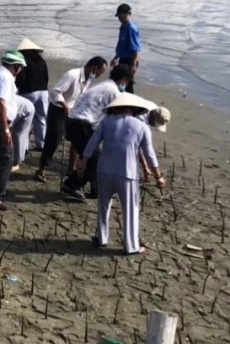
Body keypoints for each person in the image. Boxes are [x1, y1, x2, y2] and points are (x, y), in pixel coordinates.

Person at [76, 93, 165, 255]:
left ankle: (101, 238)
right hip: (127, 173)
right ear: (136, 109)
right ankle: (131, 246)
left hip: (104, 171)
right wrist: (158, 176)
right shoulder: (141, 127)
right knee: (130, 210)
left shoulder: (106, 122)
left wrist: (83, 160)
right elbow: (149, 154)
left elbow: (92, 143)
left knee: (103, 207)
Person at [61, 64, 132, 201]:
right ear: (123, 80)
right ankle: (71, 185)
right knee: (95, 159)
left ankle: (96, 190)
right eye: (127, 82)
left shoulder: (104, 85)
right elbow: (116, 117)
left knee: (94, 157)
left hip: (75, 121)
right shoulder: (113, 92)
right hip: (81, 124)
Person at [35, 56, 108, 183]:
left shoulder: (87, 81)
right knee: (53, 140)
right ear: (94, 67)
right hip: (58, 109)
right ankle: (41, 168)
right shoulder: (72, 75)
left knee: (76, 139)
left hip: (73, 112)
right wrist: (64, 105)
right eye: (100, 71)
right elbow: (55, 91)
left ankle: (71, 168)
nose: (99, 75)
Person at [0, 50, 35, 211]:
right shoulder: (5, 78)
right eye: (20, 67)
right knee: (5, 159)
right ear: (16, 66)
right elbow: (0, 103)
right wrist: (5, 129)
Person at [14, 38, 49, 152]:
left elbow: (21, 77)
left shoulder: (23, 60)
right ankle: (41, 145)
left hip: (28, 91)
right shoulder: (41, 60)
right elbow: (46, 77)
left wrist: (16, 87)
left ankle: (25, 146)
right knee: (41, 118)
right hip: (43, 92)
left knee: (25, 119)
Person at [111, 3, 141, 93]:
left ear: (128, 14)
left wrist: (133, 64)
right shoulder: (123, 27)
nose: (120, 18)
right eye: (119, 16)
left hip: (129, 60)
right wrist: (116, 57)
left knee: (127, 84)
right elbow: (122, 45)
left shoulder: (131, 29)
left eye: (122, 16)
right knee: (119, 82)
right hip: (122, 59)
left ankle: (130, 103)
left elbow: (135, 49)